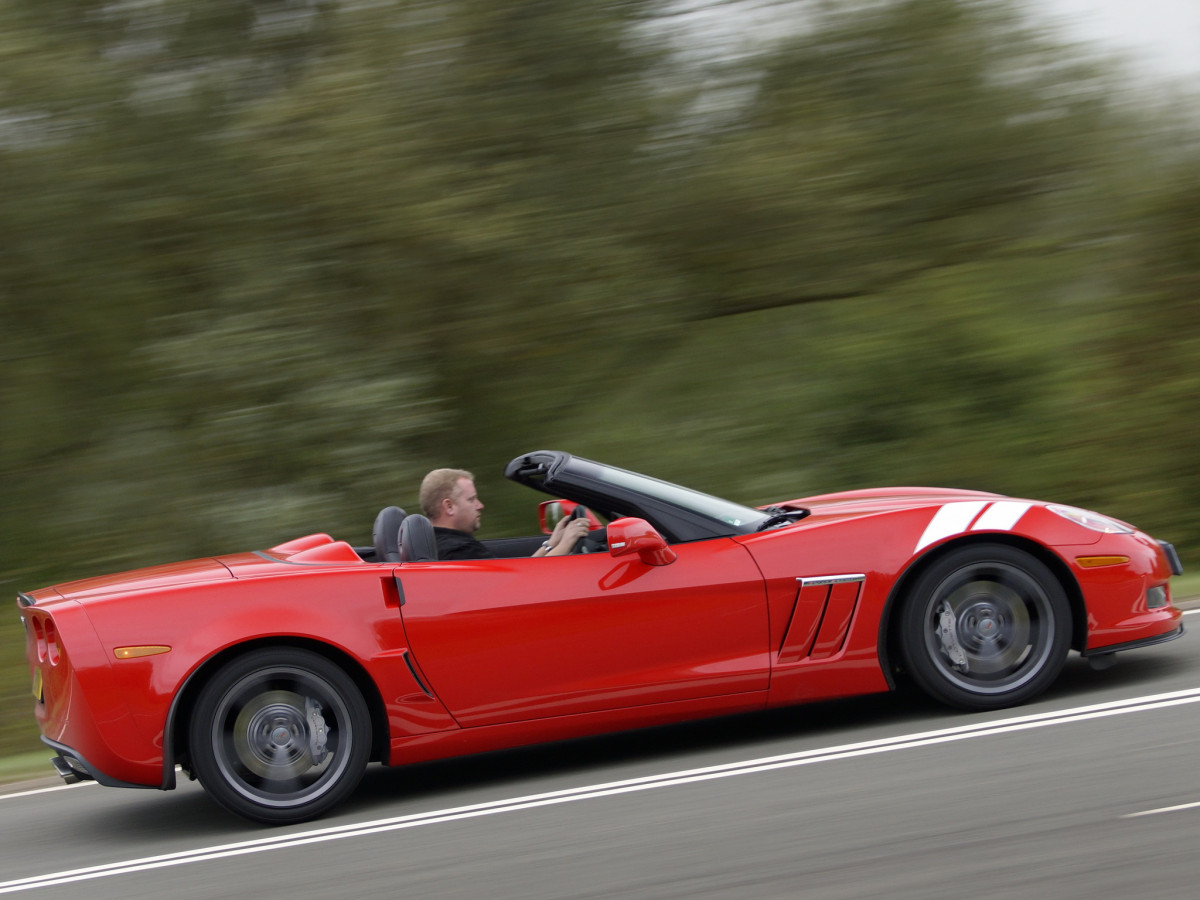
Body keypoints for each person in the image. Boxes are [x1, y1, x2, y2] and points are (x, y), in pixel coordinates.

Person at [419, 468, 590, 561]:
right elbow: (521, 585)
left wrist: (552, 543)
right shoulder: (459, 552)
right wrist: (567, 542)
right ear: (449, 506)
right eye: (471, 500)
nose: (480, 506)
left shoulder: (440, 544)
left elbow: (519, 573)